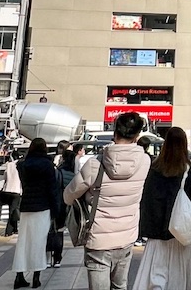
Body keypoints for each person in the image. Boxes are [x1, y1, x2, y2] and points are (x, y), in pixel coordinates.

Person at [65, 112, 150, 290]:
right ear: (137, 135)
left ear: (115, 132)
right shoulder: (145, 161)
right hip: (127, 235)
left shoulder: (95, 165)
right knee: (120, 286)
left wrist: (89, 195)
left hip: (99, 239)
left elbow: (68, 195)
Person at [132, 127, 191, 290]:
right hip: (182, 230)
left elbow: (147, 199)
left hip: (158, 230)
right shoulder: (190, 169)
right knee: (180, 271)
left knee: (156, 270)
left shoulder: (155, 168)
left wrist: (146, 227)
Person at [13, 138, 59, 289]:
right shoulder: (47, 165)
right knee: (39, 242)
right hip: (43, 206)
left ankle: (19, 275)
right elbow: (52, 189)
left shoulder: (23, 165)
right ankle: (36, 277)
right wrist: (56, 210)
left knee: (23, 242)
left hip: (26, 206)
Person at [0, 151, 23, 237]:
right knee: (13, 210)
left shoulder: (8, 165)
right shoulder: (21, 165)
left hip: (7, 189)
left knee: (12, 209)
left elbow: (4, 177)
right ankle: (8, 230)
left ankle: (15, 228)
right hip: (17, 190)